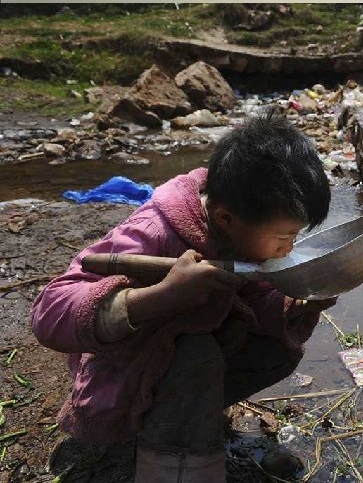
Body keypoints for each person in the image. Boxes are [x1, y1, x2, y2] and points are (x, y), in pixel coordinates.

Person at [31, 109, 336, 482]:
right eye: (284, 237)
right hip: (124, 373)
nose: (288, 249)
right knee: (197, 355)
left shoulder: (242, 229)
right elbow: (49, 310)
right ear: (225, 218)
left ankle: (188, 418)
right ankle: (168, 460)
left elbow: (254, 298)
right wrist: (163, 295)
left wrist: (295, 303)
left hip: (179, 364)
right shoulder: (154, 231)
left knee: (277, 348)